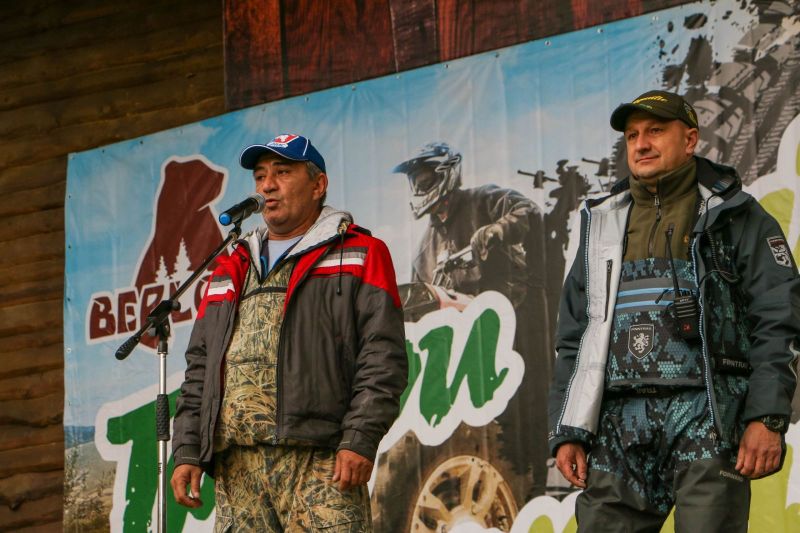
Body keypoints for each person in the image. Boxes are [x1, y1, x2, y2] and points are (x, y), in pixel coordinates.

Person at [548, 90, 800, 532]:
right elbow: (575, 334)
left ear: (690, 139)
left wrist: (766, 416)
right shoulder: (602, 223)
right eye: (632, 136)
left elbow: (779, 318)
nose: (641, 144)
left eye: (655, 131)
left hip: (707, 418)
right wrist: (568, 429)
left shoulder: (736, 216)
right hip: (617, 425)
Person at [170, 133, 408, 532]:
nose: (267, 185)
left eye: (282, 172)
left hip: (323, 461)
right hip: (238, 467)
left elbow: (382, 357)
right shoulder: (231, 265)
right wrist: (187, 449)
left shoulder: (360, 252)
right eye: (260, 176)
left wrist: (359, 438)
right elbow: (200, 366)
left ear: (318, 185)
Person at [393, 142, 552, 496]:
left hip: (513, 322)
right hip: (467, 347)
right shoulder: (424, 250)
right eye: (416, 182)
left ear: (445, 174)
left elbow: (528, 211)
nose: (420, 187)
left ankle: (537, 486)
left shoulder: (483, 200)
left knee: (526, 407)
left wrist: (496, 230)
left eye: (425, 179)